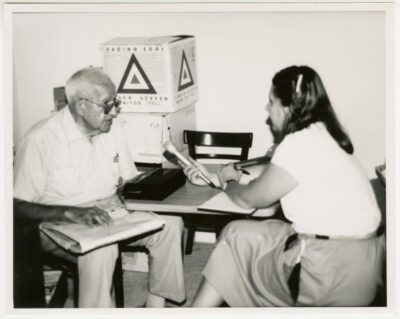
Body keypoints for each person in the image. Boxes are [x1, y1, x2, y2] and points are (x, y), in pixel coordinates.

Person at [184, 65, 385, 307]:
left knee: (235, 243)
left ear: (288, 107)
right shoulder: (324, 136)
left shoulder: (297, 144)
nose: (268, 109)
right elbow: (272, 174)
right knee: (238, 232)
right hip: (367, 263)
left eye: (271, 101)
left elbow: (249, 200)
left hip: (327, 269)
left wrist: (227, 181)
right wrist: (226, 177)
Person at [13, 67, 185, 308]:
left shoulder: (113, 129)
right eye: (107, 104)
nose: (114, 111)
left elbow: (128, 181)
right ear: (82, 106)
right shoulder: (41, 139)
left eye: (116, 102)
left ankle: (156, 306)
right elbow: (15, 206)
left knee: (171, 226)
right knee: (101, 250)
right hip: (59, 221)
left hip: (109, 212)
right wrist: (68, 212)